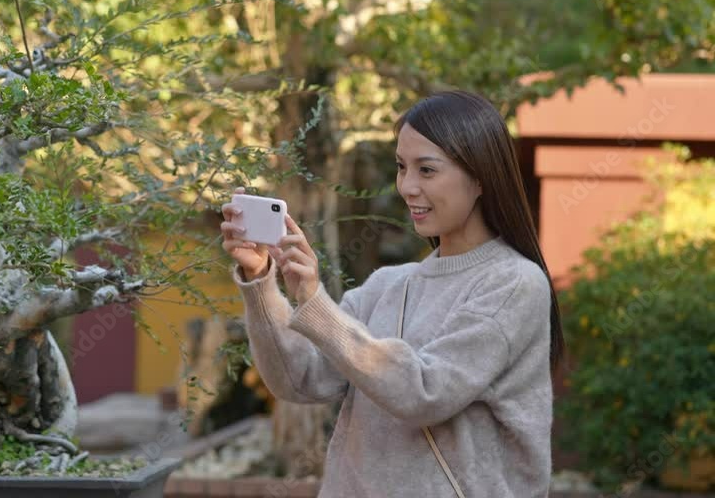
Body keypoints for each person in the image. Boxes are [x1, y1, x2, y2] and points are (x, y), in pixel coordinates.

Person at [220, 90, 563, 497]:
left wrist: (316, 303)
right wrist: (260, 280)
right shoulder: (388, 286)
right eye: (402, 168)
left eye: (427, 170)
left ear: (480, 176)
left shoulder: (515, 284)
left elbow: (425, 391)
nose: (408, 187)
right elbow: (299, 380)